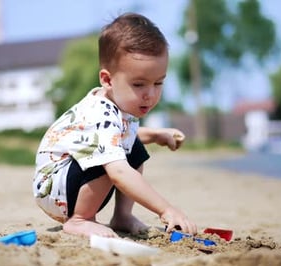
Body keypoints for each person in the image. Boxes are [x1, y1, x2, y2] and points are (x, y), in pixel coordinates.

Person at [32, 12, 197, 238]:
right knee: (111, 158)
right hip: (54, 188)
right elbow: (118, 172)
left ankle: (122, 216)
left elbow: (128, 133)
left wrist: (157, 135)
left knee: (134, 148)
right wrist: (166, 209)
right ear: (108, 80)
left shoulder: (118, 106)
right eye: (139, 84)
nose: (150, 94)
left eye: (158, 83)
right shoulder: (100, 111)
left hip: (72, 185)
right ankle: (80, 220)